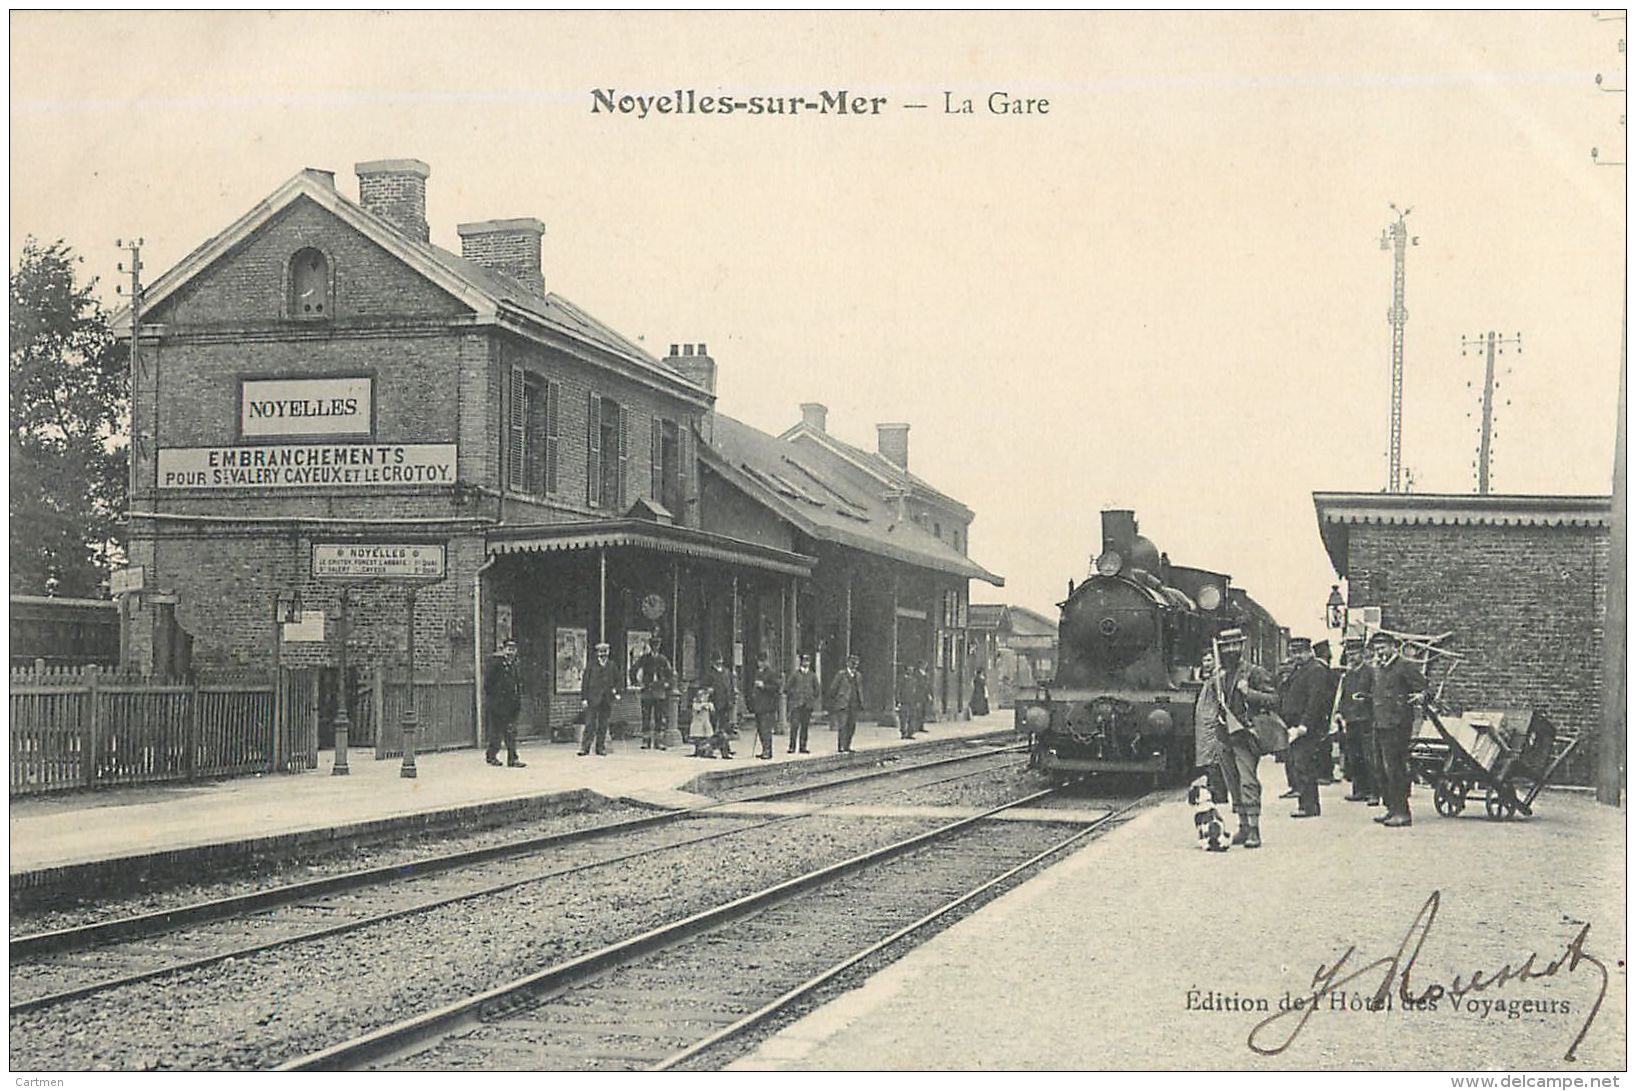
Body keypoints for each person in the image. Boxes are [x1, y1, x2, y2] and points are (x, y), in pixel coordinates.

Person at [1208, 627, 1280, 849]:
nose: (1231, 650)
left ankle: (1254, 829)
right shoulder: (1219, 675)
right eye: (1226, 646)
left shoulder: (1253, 672)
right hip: (1224, 735)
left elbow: (1274, 699)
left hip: (1245, 734)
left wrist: (1249, 693)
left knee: (1248, 781)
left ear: (1241, 647)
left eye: (1234, 645)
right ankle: (1243, 826)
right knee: (1232, 782)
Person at [1369, 631, 1428, 828]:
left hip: (1398, 724)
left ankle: (1402, 812)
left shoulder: (1405, 666)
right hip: (1380, 723)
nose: (1380, 652)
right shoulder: (1379, 668)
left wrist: (1420, 696)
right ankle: (1391, 808)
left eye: (1383, 647)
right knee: (1382, 769)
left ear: (1393, 647)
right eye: (1377, 649)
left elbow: (1424, 688)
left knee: (1395, 769)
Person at [1280, 636, 1333, 819]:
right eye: (1294, 652)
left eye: (1300, 652)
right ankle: (1305, 803)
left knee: (1304, 765)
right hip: (1294, 724)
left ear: (1309, 651)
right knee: (1298, 764)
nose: (1296, 656)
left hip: (1306, 727)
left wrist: (1304, 725)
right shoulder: (1300, 669)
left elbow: (1315, 701)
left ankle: (1309, 806)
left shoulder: (1316, 670)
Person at [1338, 636, 1379, 805]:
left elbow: (1377, 694)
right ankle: (1359, 790)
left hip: (1367, 719)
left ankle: (1374, 792)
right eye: (1349, 654)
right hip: (1352, 720)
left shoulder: (1370, 672)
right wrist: (1340, 712)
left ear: (1362, 654)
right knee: (1354, 757)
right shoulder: (1348, 675)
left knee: (1370, 756)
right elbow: (1343, 696)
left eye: (1355, 653)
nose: (1352, 657)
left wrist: (1366, 698)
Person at [483, 638, 526, 768]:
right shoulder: (496, 664)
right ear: (503, 649)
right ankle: (491, 756)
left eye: (513, 649)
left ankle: (512, 759)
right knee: (496, 732)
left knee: (511, 732)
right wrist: (495, 699)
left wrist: (517, 700)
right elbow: (488, 684)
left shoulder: (515, 665)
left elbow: (517, 684)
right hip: (498, 704)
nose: (511, 652)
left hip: (511, 704)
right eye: (508, 649)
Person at [1192, 650, 1228, 805]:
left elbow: (1222, 700)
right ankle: (1216, 790)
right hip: (1205, 724)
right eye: (1204, 661)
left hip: (1211, 723)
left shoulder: (1218, 678)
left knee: (1213, 759)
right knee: (1209, 759)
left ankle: (1219, 794)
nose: (1206, 664)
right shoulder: (1211, 678)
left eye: (1209, 660)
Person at [578, 641, 621, 756]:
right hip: (593, 699)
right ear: (597, 653)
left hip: (606, 699)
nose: (603, 655)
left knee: (603, 725)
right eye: (601, 652)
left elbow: (618, 681)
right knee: (590, 724)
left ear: (608, 652)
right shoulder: (591, 665)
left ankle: (600, 748)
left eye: (605, 652)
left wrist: (616, 691)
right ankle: (585, 748)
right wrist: (584, 699)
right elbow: (585, 683)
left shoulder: (612, 666)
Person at [632, 636, 674, 751]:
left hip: (659, 691)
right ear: (650, 646)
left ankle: (658, 741)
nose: (655, 647)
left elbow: (670, 674)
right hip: (647, 690)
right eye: (653, 645)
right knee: (646, 716)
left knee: (659, 717)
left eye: (657, 645)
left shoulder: (663, 659)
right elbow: (634, 669)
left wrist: (667, 684)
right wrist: (636, 682)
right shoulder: (644, 659)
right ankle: (646, 740)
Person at [827, 653, 864, 753]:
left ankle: (847, 745)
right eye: (853, 663)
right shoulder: (841, 675)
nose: (854, 666)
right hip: (843, 704)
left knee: (851, 726)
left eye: (856, 664)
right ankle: (841, 746)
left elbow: (859, 689)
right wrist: (837, 699)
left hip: (854, 704)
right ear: (848, 663)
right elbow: (833, 689)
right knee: (843, 726)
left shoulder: (858, 676)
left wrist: (860, 701)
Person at [749, 649, 782, 759]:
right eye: (759, 661)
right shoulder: (758, 672)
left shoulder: (771, 673)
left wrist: (763, 686)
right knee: (760, 729)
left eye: (762, 661)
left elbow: (776, 687)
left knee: (766, 729)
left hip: (768, 706)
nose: (760, 663)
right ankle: (764, 749)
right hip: (759, 706)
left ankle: (768, 750)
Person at [785, 653, 820, 754]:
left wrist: (812, 697)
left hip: (807, 705)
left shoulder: (812, 675)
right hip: (796, 704)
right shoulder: (795, 675)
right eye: (804, 661)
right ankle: (792, 746)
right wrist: (794, 695)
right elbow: (787, 688)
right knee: (794, 726)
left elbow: (817, 689)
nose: (806, 663)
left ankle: (803, 746)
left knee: (805, 726)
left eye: (807, 661)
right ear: (801, 662)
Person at [703, 652, 736, 740]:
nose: (719, 662)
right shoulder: (710, 673)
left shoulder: (726, 671)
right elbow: (705, 686)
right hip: (715, 702)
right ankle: (713, 743)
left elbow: (731, 686)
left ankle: (725, 746)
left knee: (725, 725)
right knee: (713, 724)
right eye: (717, 661)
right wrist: (709, 690)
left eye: (720, 660)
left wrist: (732, 699)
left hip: (726, 701)